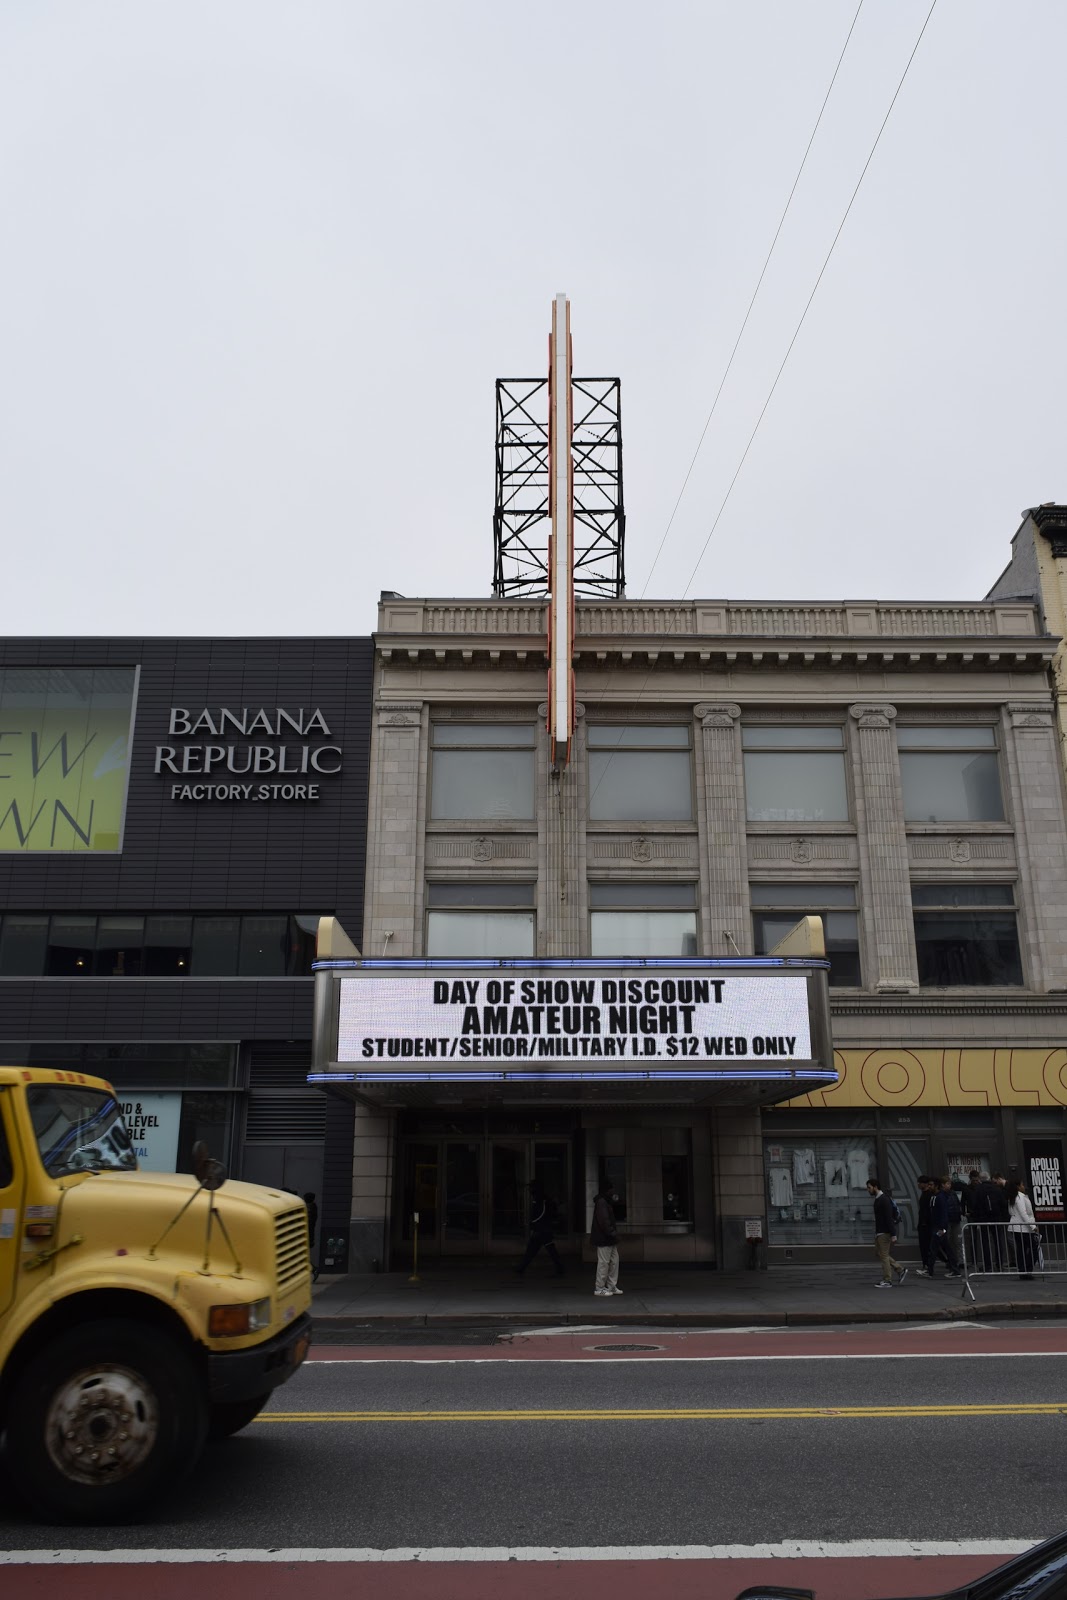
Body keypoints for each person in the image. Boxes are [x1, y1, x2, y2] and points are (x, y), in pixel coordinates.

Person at [515, 1181, 565, 1277]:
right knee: (541, 1249)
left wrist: (533, 1223)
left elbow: (539, 1213)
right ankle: (521, 1268)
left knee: (536, 1249)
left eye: (531, 1188)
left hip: (542, 1229)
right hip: (543, 1228)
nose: (529, 1190)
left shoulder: (540, 1199)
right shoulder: (541, 1198)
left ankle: (521, 1268)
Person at [866, 1178, 907, 1287]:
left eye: (869, 1188)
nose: (868, 1190)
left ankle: (887, 1280)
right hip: (880, 1232)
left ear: (875, 1187)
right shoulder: (878, 1199)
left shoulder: (884, 1200)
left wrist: (893, 1234)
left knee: (883, 1256)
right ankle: (900, 1269)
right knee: (879, 1253)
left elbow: (888, 1217)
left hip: (884, 1232)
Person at [591, 1177, 622, 1297]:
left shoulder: (605, 1201)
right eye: (611, 1188)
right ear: (607, 1190)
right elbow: (604, 1220)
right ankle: (599, 1288)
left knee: (614, 1261)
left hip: (609, 1238)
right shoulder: (602, 1202)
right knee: (604, 1262)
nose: (613, 1191)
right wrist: (612, 1233)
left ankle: (611, 1286)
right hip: (604, 1238)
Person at [1006, 1177, 1039, 1279]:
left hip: (1016, 1227)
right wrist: (1033, 1226)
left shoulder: (1012, 1197)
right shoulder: (1019, 1197)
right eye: (1022, 1184)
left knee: (1022, 1250)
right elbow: (1024, 1213)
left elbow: (1011, 1212)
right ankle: (1027, 1270)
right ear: (1018, 1186)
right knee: (1033, 1248)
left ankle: (1023, 1270)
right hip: (1023, 1228)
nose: (1023, 1186)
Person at [932, 1176, 962, 1276]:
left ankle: (953, 1267)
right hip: (944, 1225)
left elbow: (945, 1211)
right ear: (942, 1185)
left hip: (944, 1225)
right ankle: (952, 1267)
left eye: (949, 1183)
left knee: (945, 1246)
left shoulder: (945, 1195)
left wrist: (942, 1228)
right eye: (947, 1183)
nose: (949, 1185)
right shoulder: (942, 1196)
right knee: (942, 1246)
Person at [914, 1176, 937, 1276]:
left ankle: (927, 1266)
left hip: (926, 1225)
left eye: (919, 1183)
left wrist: (924, 1222)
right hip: (925, 1224)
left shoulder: (928, 1195)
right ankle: (927, 1265)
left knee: (926, 1246)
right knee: (927, 1246)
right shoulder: (925, 1194)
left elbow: (927, 1211)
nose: (918, 1185)